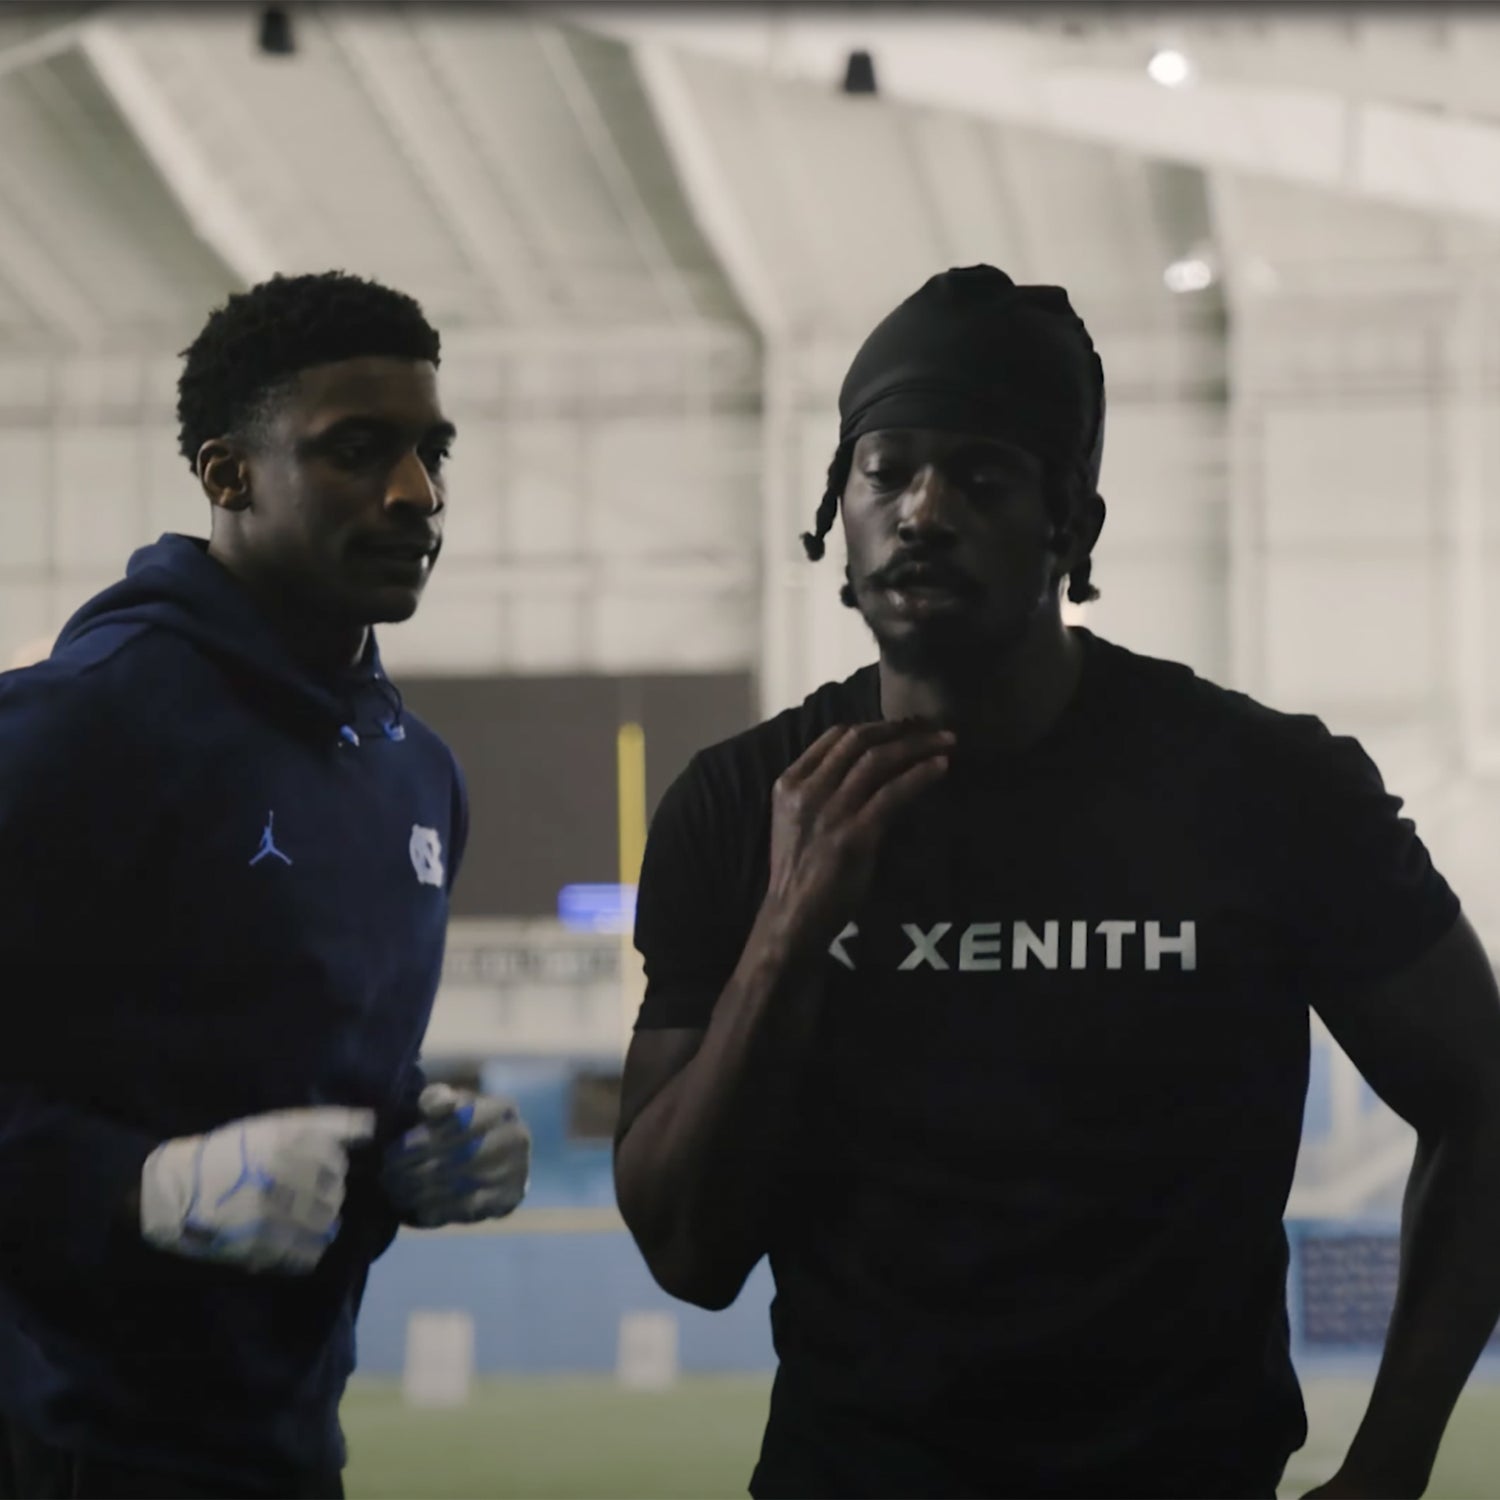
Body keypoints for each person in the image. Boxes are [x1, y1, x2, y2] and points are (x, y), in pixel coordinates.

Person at [614, 265, 1500, 1499]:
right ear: (838, 507)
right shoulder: (739, 802)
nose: (921, 509)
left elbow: (1483, 1095)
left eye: (980, 476)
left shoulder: (1266, 784)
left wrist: (1393, 1462)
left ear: (1069, 527)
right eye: (885, 469)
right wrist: (789, 934)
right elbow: (687, 1253)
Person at [0, 271, 531, 1500]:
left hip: (283, 1451)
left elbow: (291, 1079)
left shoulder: (419, 777)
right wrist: (137, 1188)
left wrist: (413, 1140)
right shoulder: (71, 731)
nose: (419, 494)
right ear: (227, 473)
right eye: (358, 452)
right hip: (57, 1446)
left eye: (430, 451)